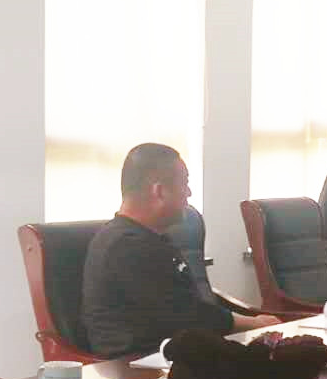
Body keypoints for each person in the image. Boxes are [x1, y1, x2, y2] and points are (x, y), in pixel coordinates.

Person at [81, 143, 278, 358]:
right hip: (137, 365)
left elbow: (188, 308)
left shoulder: (151, 238)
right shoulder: (125, 246)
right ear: (159, 191)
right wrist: (254, 323)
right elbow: (186, 316)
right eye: (185, 184)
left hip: (174, 353)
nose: (189, 193)